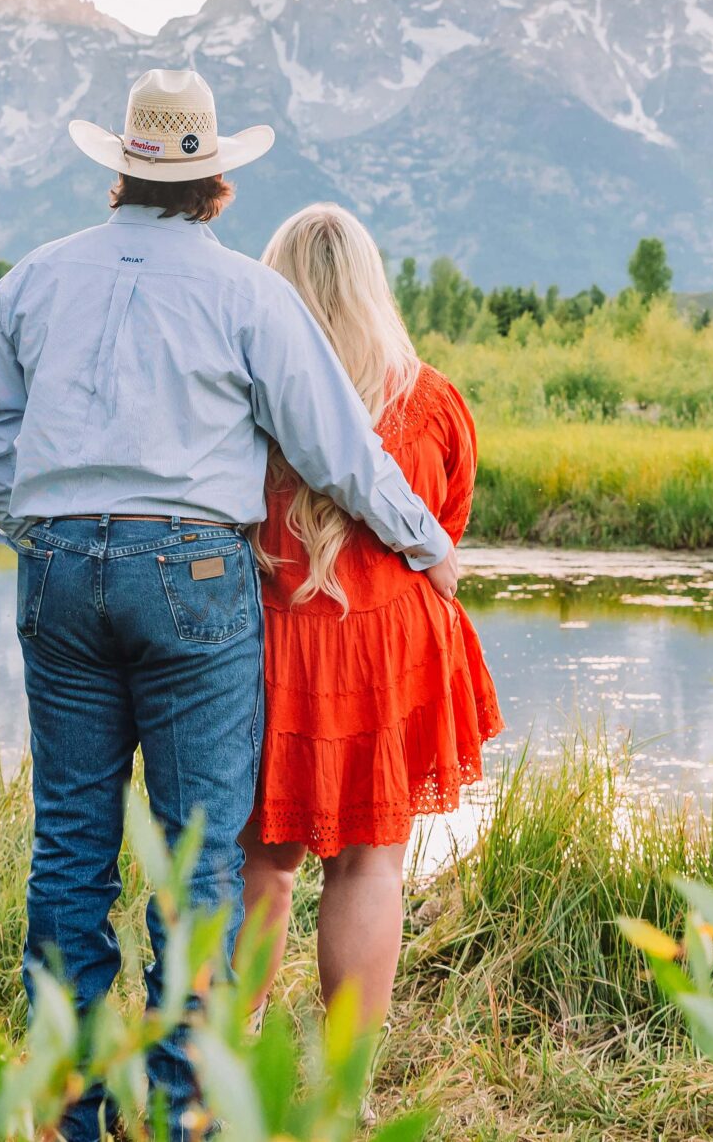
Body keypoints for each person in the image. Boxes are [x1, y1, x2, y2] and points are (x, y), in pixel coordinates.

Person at [0, 68, 464, 1142]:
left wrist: (35, 526)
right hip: (192, 572)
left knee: (71, 845)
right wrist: (426, 541)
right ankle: (184, 1113)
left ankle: (72, 1106)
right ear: (217, 181)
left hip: (56, 571)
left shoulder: (34, 278)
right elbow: (337, 447)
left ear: (118, 173)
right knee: (202, 856)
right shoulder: (247, 293)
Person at [235, 203, 502, 1028]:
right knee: (370, 867)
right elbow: (445, 531)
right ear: (371, 287)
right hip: (391, 650)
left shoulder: (245, 399)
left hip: (273, 648)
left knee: (260, 864)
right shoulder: (431, 403)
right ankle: (347, 1087)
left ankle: (211, 1062)